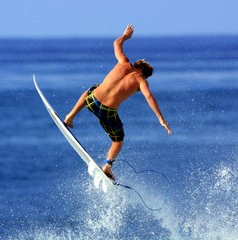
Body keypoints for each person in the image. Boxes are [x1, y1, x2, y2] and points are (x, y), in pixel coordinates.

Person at [64, 24, 172, 180]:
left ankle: (70, 117)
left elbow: (116, 43)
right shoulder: (141, 81)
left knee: (91, 89)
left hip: (92, 101)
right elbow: (149, 97)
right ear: (145, 74)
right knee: (118, 140)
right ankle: (107, 166)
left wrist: (125, 37)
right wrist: (161, 119)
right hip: (107, 112)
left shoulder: (124, 62)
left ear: (136, 64)